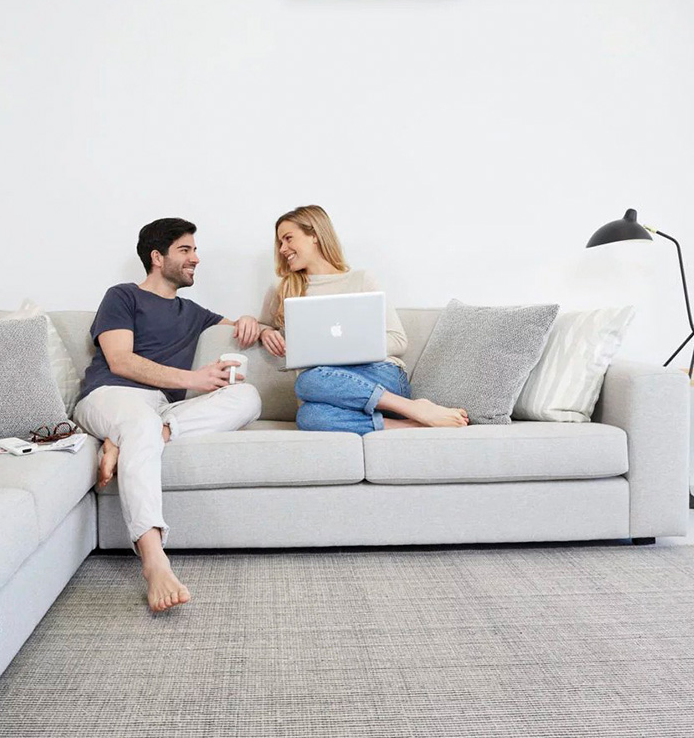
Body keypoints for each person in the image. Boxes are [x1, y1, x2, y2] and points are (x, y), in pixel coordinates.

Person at [74, 218, 262, 613]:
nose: (196, 258)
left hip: (162, 410)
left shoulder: (191, 311)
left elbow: (238, 326)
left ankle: (132, 440)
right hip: (111, 395)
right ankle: (154, 560)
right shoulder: (122, 296)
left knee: (247, 397)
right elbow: (121, 361)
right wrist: (194, 378)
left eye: (195, 249)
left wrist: (251, 322)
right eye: (186, 250)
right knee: (140, 421)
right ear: (157, 257)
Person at [257, 205, 468, 434]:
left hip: (380, 375)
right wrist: (264, 331)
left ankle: (409, 407)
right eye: (280, 242)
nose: (282, 248)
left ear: (315, 235)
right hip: (330, 391)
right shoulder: (283, 290)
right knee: (308, 416)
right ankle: (411, 421)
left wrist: (343, 349)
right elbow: (263, 325)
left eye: (288, 239)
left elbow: (398, 340)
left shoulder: (361, 280)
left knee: (308, 381)